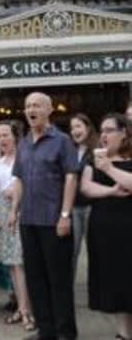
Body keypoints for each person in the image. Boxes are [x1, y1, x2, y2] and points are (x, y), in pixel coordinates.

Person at [8, 92, 78, 340]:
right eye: (27, 106)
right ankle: (46, 331)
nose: (30, 109)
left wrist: (65, 215)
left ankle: (66, 333)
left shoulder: (62, 141)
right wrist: (14, 212)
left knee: (58, 280)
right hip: (29, 221)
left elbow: (71, 177)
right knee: (36, 279)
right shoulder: (24, 143)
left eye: (36, 105)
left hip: (53, 221)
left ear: (49, 110)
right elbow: (19, 180)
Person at [81, 113, 132, 340]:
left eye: (110, 130)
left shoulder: (112, 162)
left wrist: (109, 169)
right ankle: (124, 334)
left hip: (128, 225)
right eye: (102, 131)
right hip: (104, 227)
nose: (104, 135)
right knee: (116, 280)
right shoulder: (94, 160)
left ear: (124, 133)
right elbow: (86, 188)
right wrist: (111, 191)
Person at [0, 120, 35, 332]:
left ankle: (26, 311)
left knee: (21, 263)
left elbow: (25, 185)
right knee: (13, 265)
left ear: (16, 136)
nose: (2, 139)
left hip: (23, 210)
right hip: (4, 213)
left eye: (5, 135)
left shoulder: (25, 158)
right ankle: (22, 308)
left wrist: (15, 209)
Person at [69, 113, 98, 279]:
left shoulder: (98, 149)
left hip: (92, 206)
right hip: (74, 207)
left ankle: (97, 291)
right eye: (72, 128)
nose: (75, 131)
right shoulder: (70, 150)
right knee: (72, 250)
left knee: (95, 250)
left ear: (88, 128)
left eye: (78, 126)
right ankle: (67, 291)